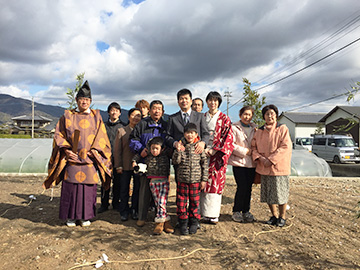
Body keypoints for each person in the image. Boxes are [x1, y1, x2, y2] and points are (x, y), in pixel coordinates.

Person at [43, 81, 112, 227]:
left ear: (90, 101)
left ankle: (85, 217)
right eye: (82, 100)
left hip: (90, 159)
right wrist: (67, 151)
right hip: (72, 159)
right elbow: (58, 135)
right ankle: (71, 217)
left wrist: (95, 150)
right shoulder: (67, 116)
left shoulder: (96, 116)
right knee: (71, 188)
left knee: (88, 190)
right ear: (76, 101)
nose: (84, 102)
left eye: (87, 100)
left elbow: (102, 136)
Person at [129, 100, 174, 227]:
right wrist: (140, 149)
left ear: (163, 112)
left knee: (161, 193)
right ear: (149, 110)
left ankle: (160, 217)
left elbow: (170, 141)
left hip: (162, 165)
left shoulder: (166, 126)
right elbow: (133, 139)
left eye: (159, 109)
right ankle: (141, 216)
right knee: (144, 191)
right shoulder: (142, 124)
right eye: (154, 108)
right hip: (146, 162)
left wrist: (168, 152)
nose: (156, 111)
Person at [251, 104, 292, 227]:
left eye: (272, 114)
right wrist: (260, 158)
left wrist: (272, 159)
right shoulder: (259, 131)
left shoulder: (282, 129)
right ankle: (274, 215)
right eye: (267, 114)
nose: (270, 116)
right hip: (264, 167)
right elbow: (253, 147)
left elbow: (285, 146)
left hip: (279, 167)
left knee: (281, 193)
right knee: (268, 193)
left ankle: (282, 217)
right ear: (264, 116)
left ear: (276, 115)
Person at [201, 91, 234, 224]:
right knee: (202, 181)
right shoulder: (202, 117)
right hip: (202, 153)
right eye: (210, 100)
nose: (212, 103)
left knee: (214, 183)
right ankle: (202, 212)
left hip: (216, 156)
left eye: (215, 100)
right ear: (207, 102)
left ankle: (213, 214)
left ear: (219, 103)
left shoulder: (224, 118)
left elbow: (228, 137)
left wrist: (215, 150)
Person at [132, 137, 174, 235]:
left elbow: (175, 154)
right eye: (153, 148)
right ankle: (166, 221)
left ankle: (159, 223)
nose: (154, 150)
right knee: (158, 202)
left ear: (162, 149)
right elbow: (137, 156)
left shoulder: (166, 154)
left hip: (164, 180)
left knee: (161, 201)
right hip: (153, 181)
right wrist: (134, 162)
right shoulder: (148, 154)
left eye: (157, 148)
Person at [172, 123, 208, 235]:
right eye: (188, 133)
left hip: (196, 180)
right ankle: (183, 223)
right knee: (181, 203)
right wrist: (178, 151)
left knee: (195, 203)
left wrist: (204, 180)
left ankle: (194, 222)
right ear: (184, 134)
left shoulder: (199, 147)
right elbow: (175, 162)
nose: (190, 135)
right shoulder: (180, 146)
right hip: (183, 179)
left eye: (192, 133)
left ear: (196, 134)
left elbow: (204, 165)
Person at [167, 89, 209, 182]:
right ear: (178, 102)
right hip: (180, 157)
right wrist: (174, 143)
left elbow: (206, 133)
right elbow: (168, 136)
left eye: (186, 98)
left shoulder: (200, 116)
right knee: (180, 186)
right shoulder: (172, 118)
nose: (184, 101)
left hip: (196, 156)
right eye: (181, 99)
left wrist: (203, 143)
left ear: (191, 101)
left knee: (196, 186)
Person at [228, 106, 257, 223]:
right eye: (245, 114)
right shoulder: (234, 128)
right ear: (240, 115)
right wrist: (244, 151)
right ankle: (236, 211)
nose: (247, 117)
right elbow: (230, 144)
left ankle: (246, 211)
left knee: (249, 188)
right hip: (239, 162)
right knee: (242, 186)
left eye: (249, 115)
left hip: (251, 163)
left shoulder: (255, 129)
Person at [113, 108, 142, 221]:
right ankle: (124, 210)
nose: (136, 118)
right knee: (124, 189)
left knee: (137, 189)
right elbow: (117, 150)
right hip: (124, 165)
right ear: (129, 117)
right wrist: (118, 165)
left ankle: (134, 209)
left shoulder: (141, 131)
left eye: (138, 116)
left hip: (138, 165)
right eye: (134, 115)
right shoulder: (122, 131)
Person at [98, 102, 126, 213]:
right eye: (112, 110)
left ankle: (116, 203)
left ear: (120, 113)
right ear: (109, 112)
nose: (114, 112)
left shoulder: (123, 126)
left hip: (118, 158)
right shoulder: (103, 126)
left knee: (118, 182)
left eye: (117, 110)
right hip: (105, 159)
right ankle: (104, 204)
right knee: (105, 182)